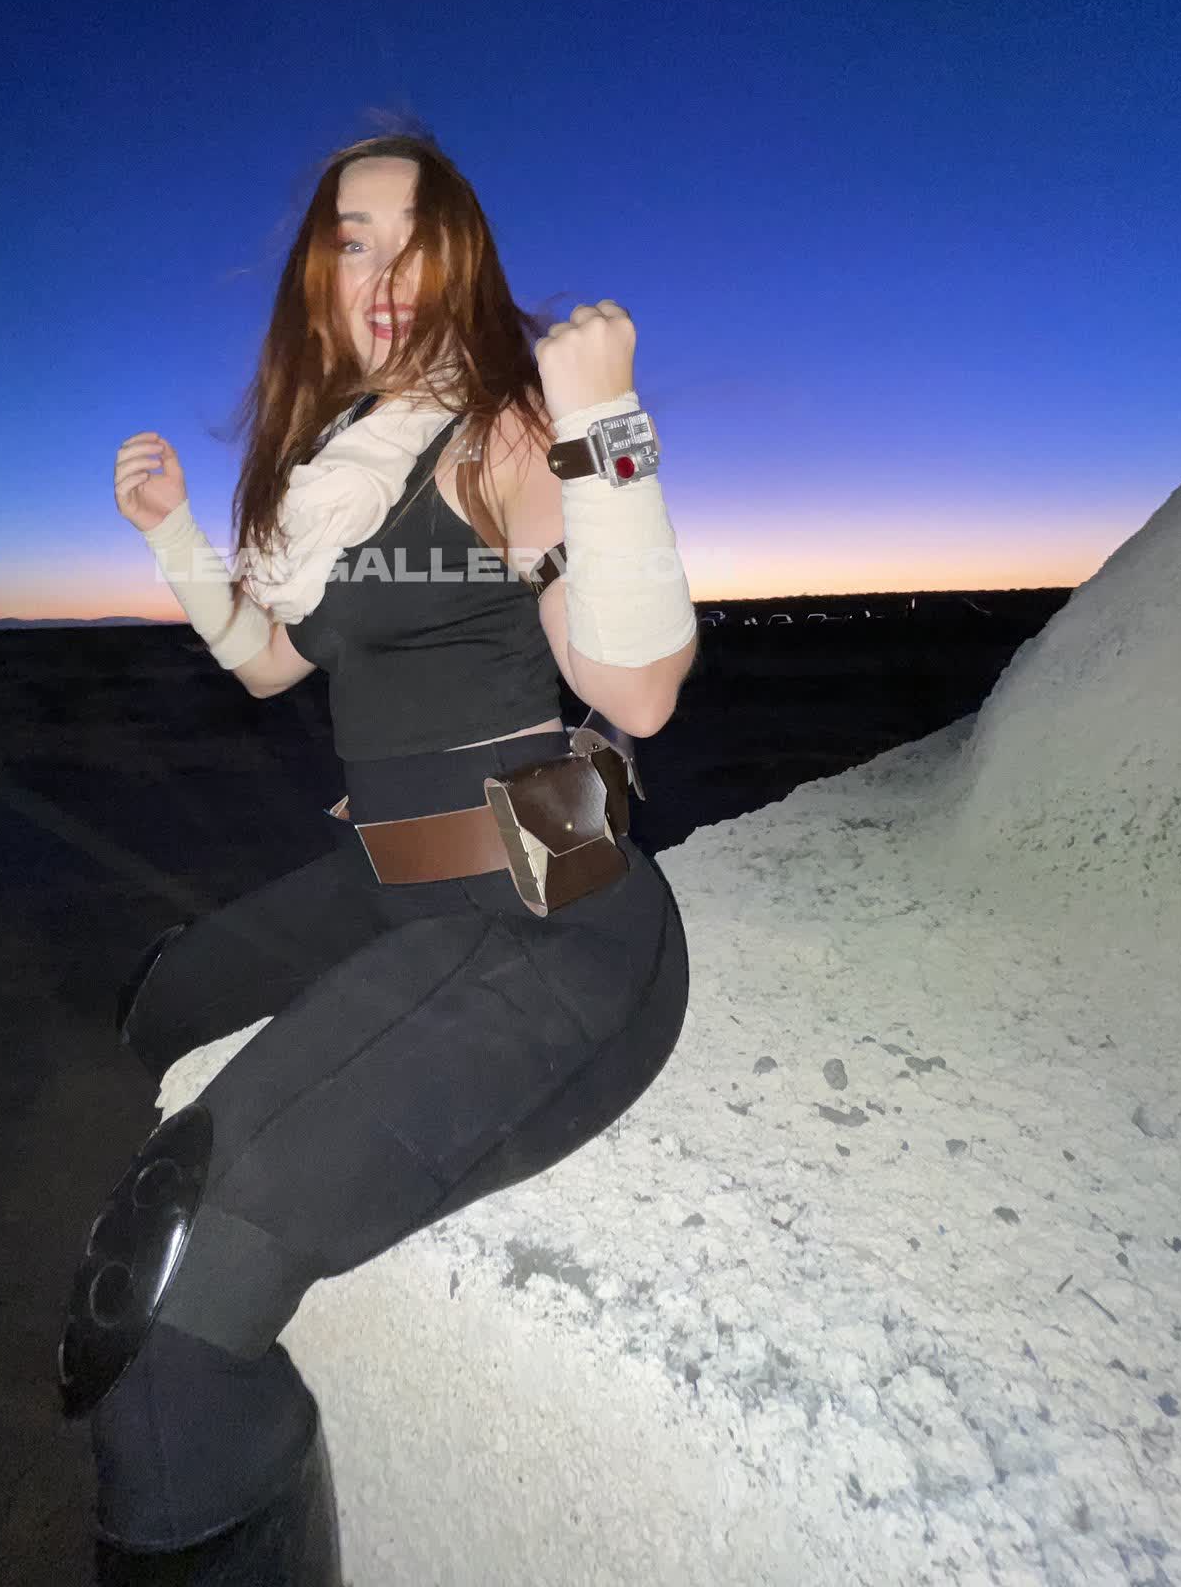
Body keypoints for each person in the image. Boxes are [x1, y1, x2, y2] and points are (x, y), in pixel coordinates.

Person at [60, 134, 701, 1582]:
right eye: (352, 239)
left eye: (415, 240)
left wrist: (610, 421)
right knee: (155, 1005)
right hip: (386, 884)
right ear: (318, 276)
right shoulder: (347, 471)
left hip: (546, 919)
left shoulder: (508, 432)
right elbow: (267, 663)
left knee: (162, 1300)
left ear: (462, 262)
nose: (384, 271)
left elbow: (641, 688)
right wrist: (173, 535)